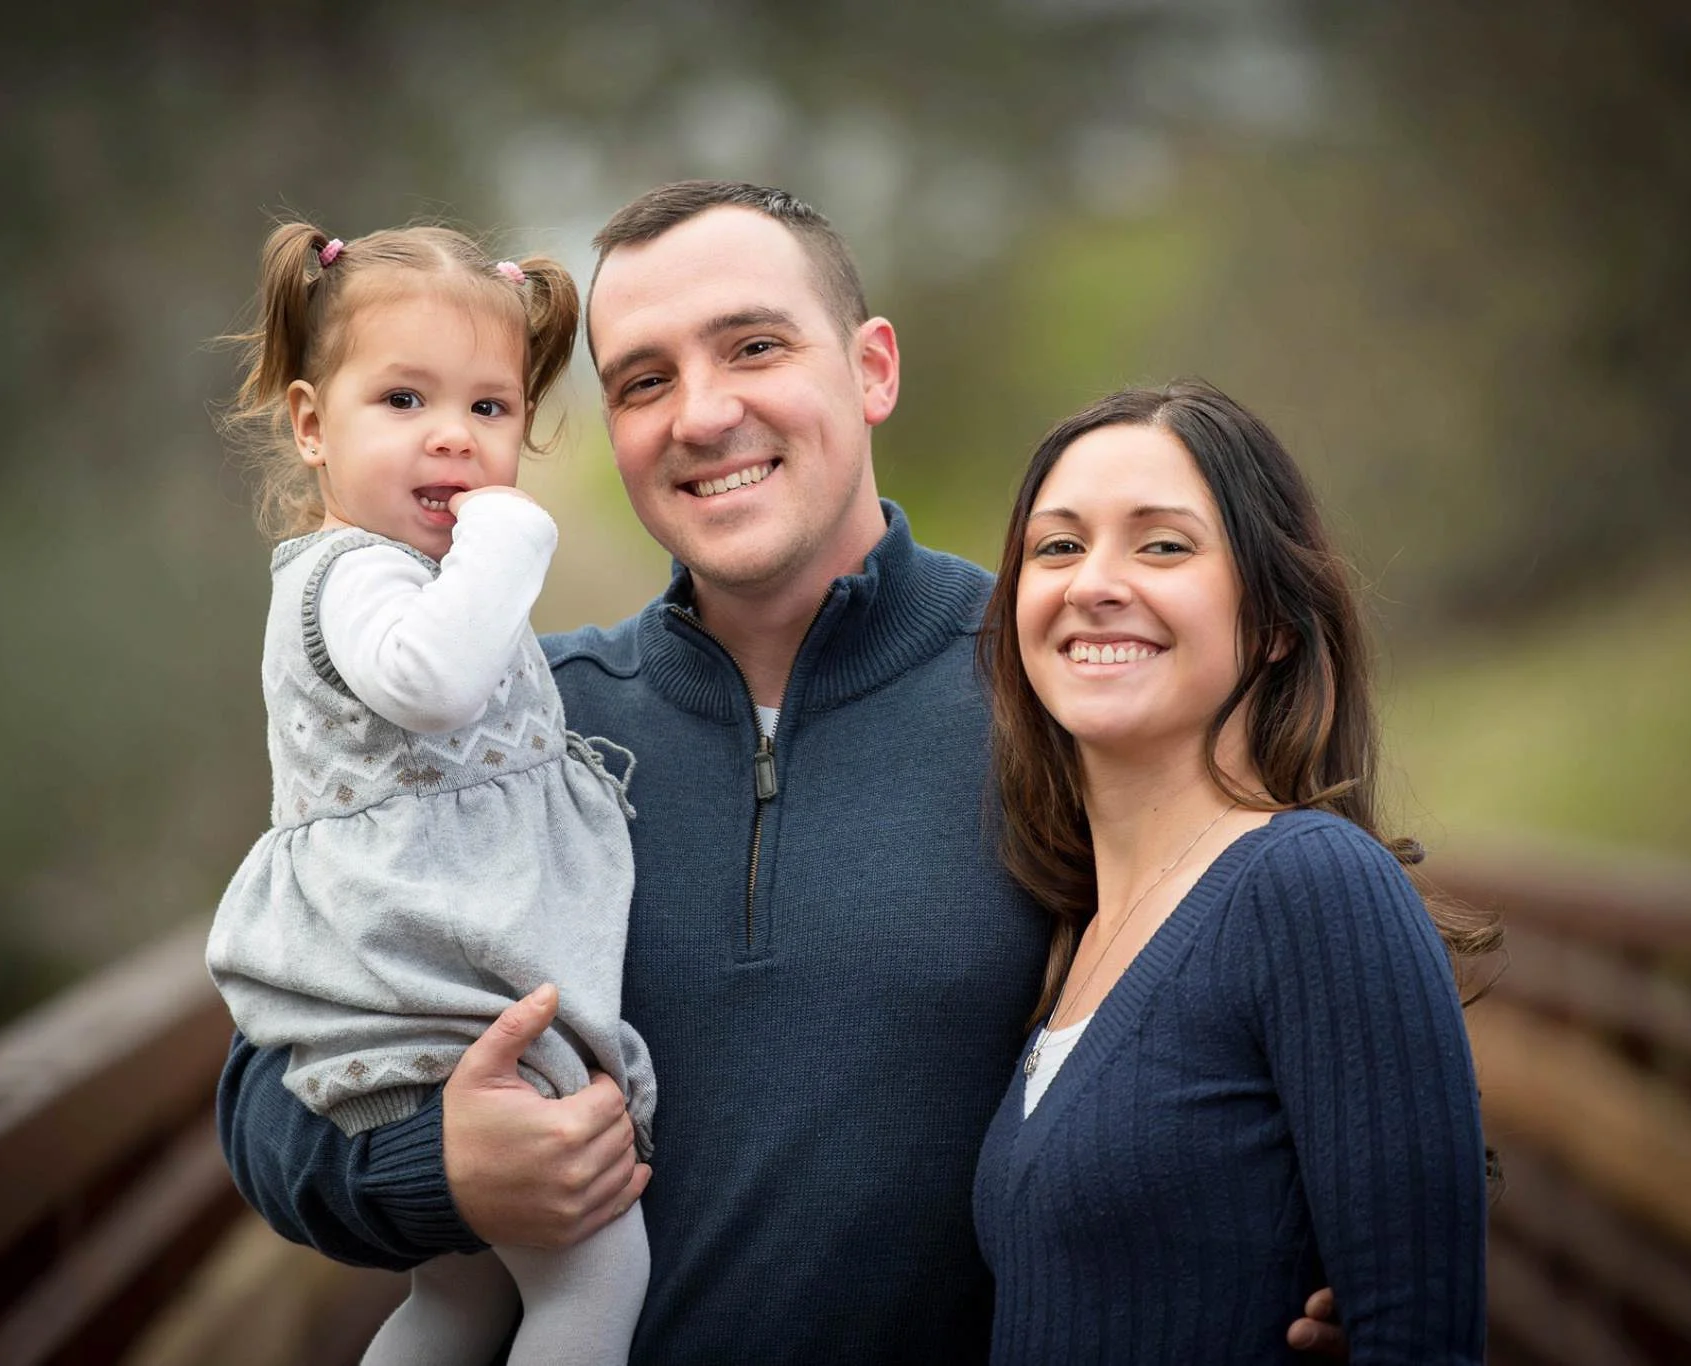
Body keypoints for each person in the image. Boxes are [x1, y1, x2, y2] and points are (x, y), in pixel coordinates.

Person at [215, 183, 1352, 1363]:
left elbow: (1317, 994)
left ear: (870, 370)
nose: (703, 415)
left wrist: (1328, 1274)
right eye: (643, 381)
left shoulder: (1057, 685)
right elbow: (266, 1089)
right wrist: (435, 1168)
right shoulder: (512, 737)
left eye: (754, 346)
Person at [205, 220, 654, 1366]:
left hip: (441, 987)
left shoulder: (412, 577)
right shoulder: (349, 573)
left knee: (459, 1300)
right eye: (403, 402)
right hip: (428, 995)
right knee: (601, 1270)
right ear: (311, 424)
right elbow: (437, 682)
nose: (452, 439)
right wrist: (508, 531)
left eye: (489, 410)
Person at [972, 380, 1496, 1362]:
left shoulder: (1309, 882)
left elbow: (1419, 1337)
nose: (1094, 580)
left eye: (1161, 544)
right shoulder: (1074, 933)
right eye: (1056, 545)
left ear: (1273, 622)